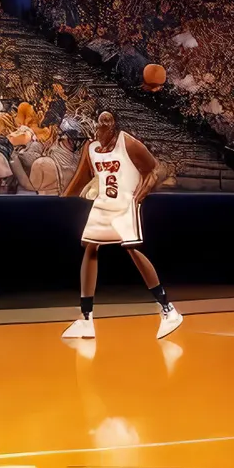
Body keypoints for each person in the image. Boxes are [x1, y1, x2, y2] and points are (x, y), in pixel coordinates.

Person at [59, 108, 182, 342]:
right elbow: (81, 178)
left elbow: (154, 167)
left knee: (132, 249)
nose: (100, 125)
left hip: (126, 202)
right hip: (103, 204)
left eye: (105, 121)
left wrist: (149, 183)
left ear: (113, 124)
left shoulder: (127, 142)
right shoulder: (91, 148)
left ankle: (168, 309)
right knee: (90, 249)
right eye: (98, 122)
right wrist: (60, 202)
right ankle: (86, 318)